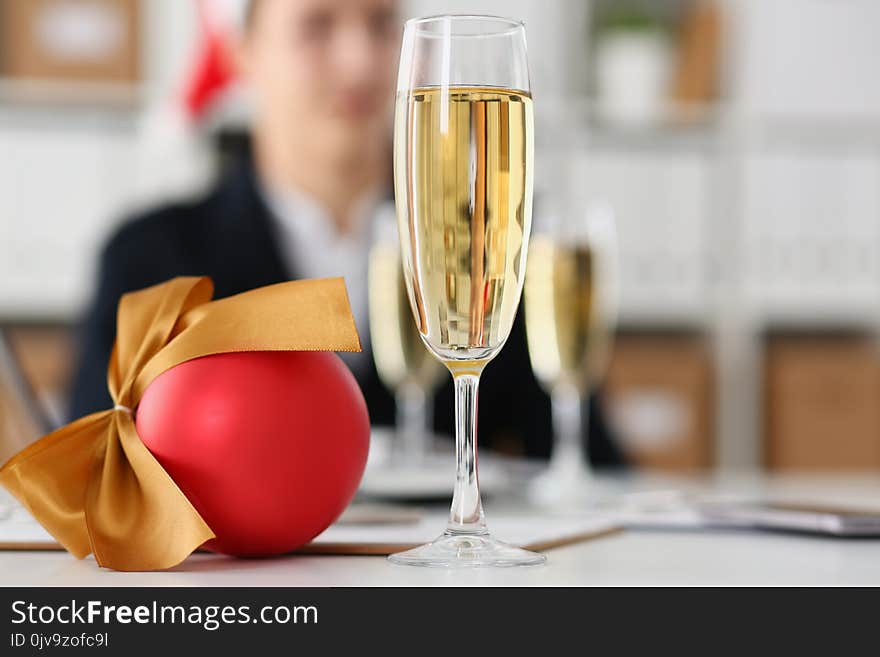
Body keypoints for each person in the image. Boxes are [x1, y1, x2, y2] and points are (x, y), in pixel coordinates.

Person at [70, 0, 622, 465]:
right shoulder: (149, 257)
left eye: (382, 25)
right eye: (318, 26)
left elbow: (585, 464)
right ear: (241, 51)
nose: (361, 64)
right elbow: (100, 480)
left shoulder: (491, 239)